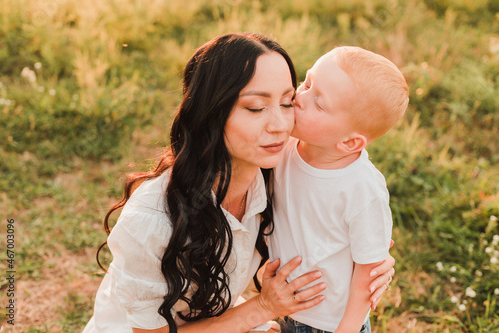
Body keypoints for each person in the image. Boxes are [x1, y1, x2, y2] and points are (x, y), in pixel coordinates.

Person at [83, 34, 395, 333]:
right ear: (211, 113)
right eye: (256, 108)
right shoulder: (150, 222)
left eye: (288, 103)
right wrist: (262, 308)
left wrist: (365, 260)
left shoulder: (276, 169)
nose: (280, 125)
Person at [268, 46, 408, 333]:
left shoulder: (362, 189)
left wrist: (346, 329)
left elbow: (369, 270)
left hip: (329, 323)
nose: (299, 97)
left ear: (349, 143)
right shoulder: (283, 148)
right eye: (306, 83)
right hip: (280, 305)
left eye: (318, 103)